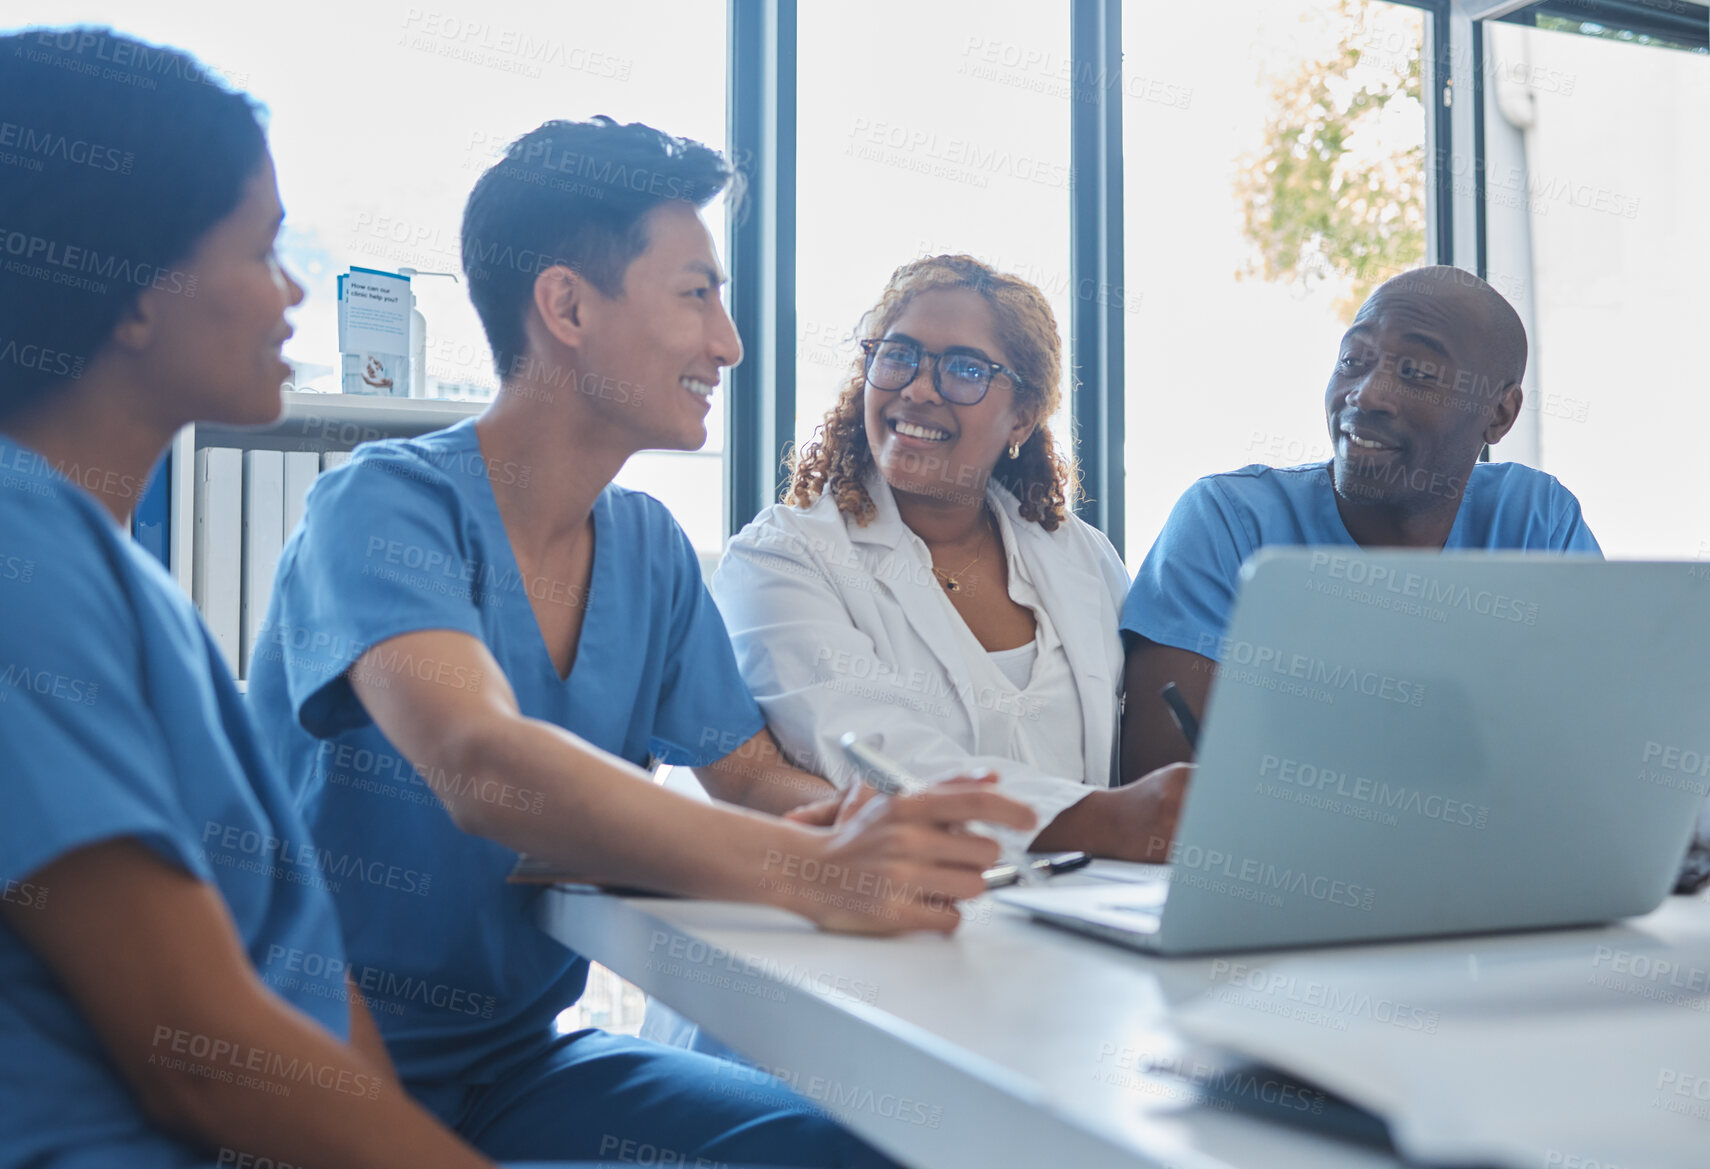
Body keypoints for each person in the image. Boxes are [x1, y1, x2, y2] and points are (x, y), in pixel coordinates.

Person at [245, 119, 1033, 1167]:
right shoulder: (382, 507)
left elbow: (746, 770)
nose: (729, 344)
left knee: (864, 1146)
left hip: (520, 1066)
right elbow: (483, 763)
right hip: (315, 1085)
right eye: (696, 293)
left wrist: (875, 828)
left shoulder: (649, 549)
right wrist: (815, 870)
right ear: (567, 305)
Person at [0, 27, 562, 1169]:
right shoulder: (22, 552)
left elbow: (297, 974)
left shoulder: (115, 576)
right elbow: (196, 1044)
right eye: (263, 251)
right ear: (138, 291)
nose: (293, 289)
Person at [709, 254, 1192, 863]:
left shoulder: (1082, 556)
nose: (917, 387)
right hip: (898, 927)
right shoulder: (781, 558)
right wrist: (1105, 821)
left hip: (1091, 926)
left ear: (1022, 414)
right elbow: (875, 758)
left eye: (964, 369)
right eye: (897, 355)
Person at [1120, 266, 1602, 789]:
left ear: (1500, 414)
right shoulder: (1229, 524)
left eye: (1418, 372)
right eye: (1353, 360)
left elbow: (1596, 749)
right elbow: (1159, 795)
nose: (1366, 395)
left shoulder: (1535, 521)